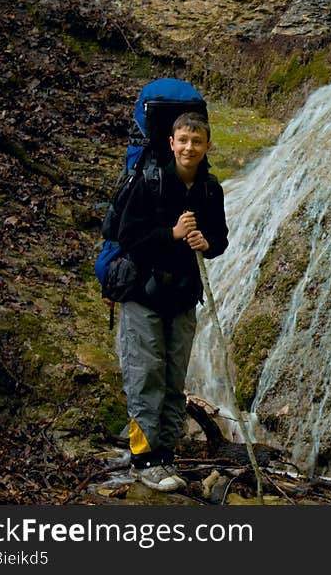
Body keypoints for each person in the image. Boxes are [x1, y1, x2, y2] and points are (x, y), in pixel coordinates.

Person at [116, 111, 228, 492]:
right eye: (182, 140)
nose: (189, 147)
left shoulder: (211, 189)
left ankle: (165, 455)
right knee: (144, 373)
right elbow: (128, 237)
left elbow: (220, 238)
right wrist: (173, 233)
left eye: (196, 142)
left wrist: (207, 243)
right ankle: (143, 460)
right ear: (170, 142)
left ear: (207, 146)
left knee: (173, 378)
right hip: (143, 294)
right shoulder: (150, 182)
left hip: (181, 297)